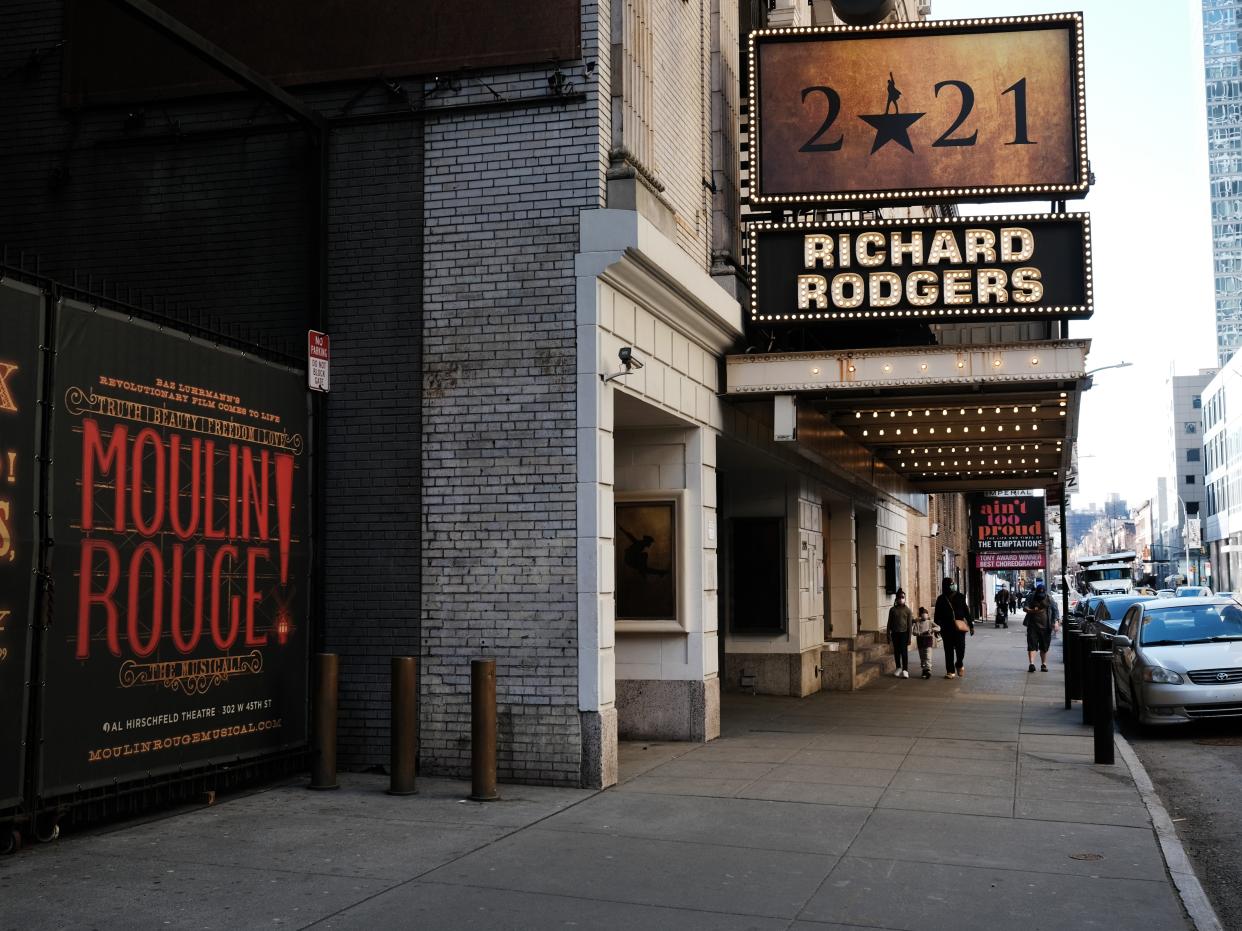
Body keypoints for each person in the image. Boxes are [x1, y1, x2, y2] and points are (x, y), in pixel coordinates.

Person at [935, 577, 973, 679]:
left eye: (954, 583)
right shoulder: (941, 599)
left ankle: (959, 663)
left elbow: (966, 611)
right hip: (946, 628)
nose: (953, 585)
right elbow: (937, 615)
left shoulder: (960, 597)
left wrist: (971, 625)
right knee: (948, 651)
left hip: (959, 628)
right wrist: (936, 628)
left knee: (961, 649)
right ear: (946, 586)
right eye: (951, 584)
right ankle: (950, 671)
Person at [1024, 588, 1058, 672]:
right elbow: (1025, 607)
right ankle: (1031, 664)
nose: (1040, 597)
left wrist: (1055, 622)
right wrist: (1030, 610)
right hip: (1032, 625)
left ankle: (1044, 664)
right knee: (1031, 645)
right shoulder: (1031, 597)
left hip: (1046, 626)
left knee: (1044, 646)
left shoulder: (1049, 598)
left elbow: (1055, 610)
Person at [887, 589, 913, 679]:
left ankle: (905, 670)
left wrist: (909, 638)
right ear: (896, 599)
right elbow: (889, 623)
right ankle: (898, 667)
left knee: (904, 652)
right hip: (895, 633)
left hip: (904, 634)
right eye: (900, 597)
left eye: (903, 597)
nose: (901, 599)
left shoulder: (908, 610)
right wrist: (888, 635)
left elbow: (910, 625)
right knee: (896, 652)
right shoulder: (892, 610)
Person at [912, 606, 939, 679]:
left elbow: (938, 627)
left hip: (928, 640)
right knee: (922, 656)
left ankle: (928, 671)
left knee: (928, 655)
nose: (924, 615)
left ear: (927, 615)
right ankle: (924, 670)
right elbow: (914, 632)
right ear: (920, 615)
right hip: (920, 641)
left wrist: (932, 630)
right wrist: (920, 633)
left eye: (926, 614)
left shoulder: (930, 622)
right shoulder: (917, 623)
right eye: (923, 614)